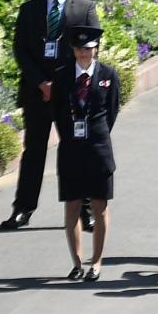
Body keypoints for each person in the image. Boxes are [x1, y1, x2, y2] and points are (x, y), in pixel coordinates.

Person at [2, 0, 95, 229]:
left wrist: (64, 83)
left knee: (77, 150)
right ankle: (23, 208)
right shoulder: (29, 10)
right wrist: (42, 83)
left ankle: (84, 210)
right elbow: (21, 51)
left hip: (72, 92)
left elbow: (90, 51)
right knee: (34, 151)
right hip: (37, 91)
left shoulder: (84, 7)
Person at [55, 21, 121, 281]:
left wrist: (96, 133)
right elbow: (58, 113)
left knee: (99, 205)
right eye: (79, 49)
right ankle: (76, 262)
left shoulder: (108, 74)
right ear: (73, 50)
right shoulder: (61, 76)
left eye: (89, 49)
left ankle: (96, 261)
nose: (84, 53)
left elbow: (112, 111)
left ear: (96, 49)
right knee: (72, 206)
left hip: (98, 149)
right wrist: (72, 136)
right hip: (71, 149)